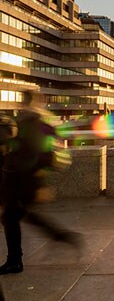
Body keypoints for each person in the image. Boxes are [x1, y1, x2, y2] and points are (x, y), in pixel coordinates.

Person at [0, 91, 81, 275]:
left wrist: (39, 183)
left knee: (12, 217)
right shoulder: (34, 121)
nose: (21, 104)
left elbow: (42, 154)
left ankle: (16, 260)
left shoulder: (31, 122)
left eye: (23, 101)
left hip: (23, 179)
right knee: (18, 215)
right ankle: (60, 237)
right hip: (22, 178)